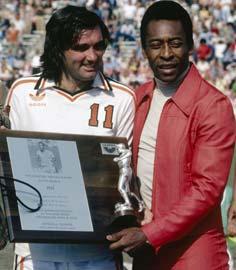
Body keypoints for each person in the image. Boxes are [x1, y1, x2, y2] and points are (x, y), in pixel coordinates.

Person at [107, 1, 236, 269]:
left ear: (190, 45)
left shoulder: (213, 105)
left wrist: (150, 233)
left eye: (175, 43)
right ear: (144, 50)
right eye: (156, 45)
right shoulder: (138, 97)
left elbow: (208, 190)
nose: (166, 53)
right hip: (145, 253)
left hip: (194, 255)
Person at [5, 6, 135, 270]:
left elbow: (128, 176)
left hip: (99, 254)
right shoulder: (23, 93)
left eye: (99, 46)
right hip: (35, 254)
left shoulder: (122, 98)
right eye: (81, 47)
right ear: (58, 49)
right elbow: (7, 169)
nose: (92, 56)